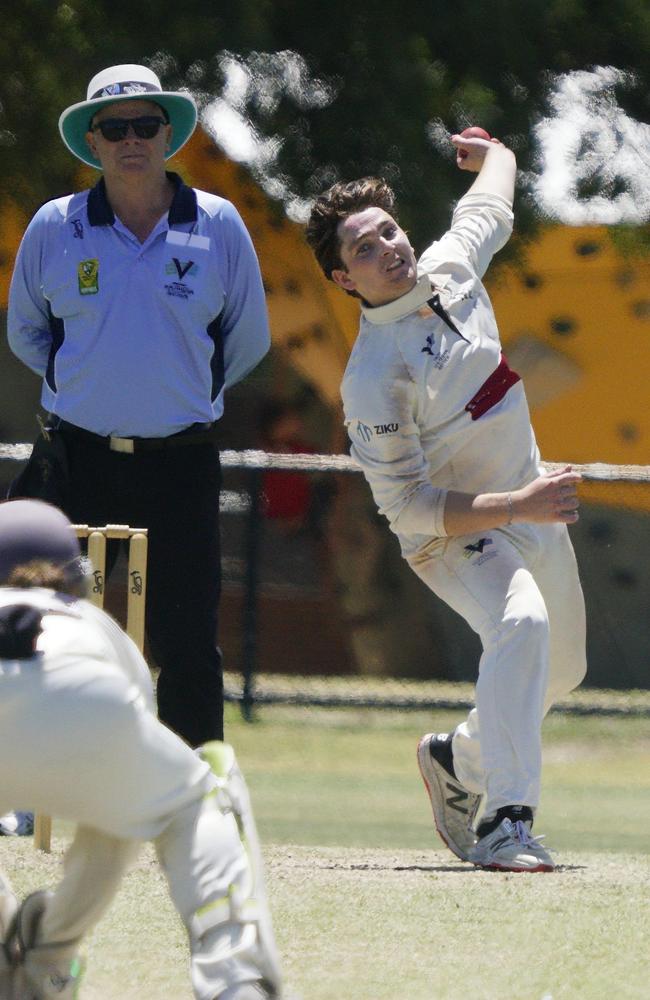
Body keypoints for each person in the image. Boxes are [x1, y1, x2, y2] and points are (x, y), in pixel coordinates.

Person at [305, 131, 587, 872]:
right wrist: (517, 503)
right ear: (343, 279)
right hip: (452, 536)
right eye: (364, 249)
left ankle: (456, 761)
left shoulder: (452, 264)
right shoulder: (373, 379)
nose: (388, 248)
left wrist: (489, 148)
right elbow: (410, 509)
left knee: (561, 671)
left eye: (389, 231)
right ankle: (505, 823)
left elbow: (494, 196)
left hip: (529, 505)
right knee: (520, 623)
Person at [6, 64, 270, 764]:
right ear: (91, 141)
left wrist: (176, 395)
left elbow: (247, 340)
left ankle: (195, 793)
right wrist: (91, 386)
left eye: (145, 125)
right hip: (73, 457)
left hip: (179, 462)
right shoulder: (54, 227)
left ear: (167, 135)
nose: (131, 139)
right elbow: (27, 333)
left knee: (185, 639)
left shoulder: (217, 224)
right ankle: (23, 784)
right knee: (27, 621)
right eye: (114, 127)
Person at [0, 498, 281, 1000]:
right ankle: (233, 976)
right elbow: (119, 817)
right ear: (77, 581)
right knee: (190, 797)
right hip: (88, 696)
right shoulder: (92, 622)